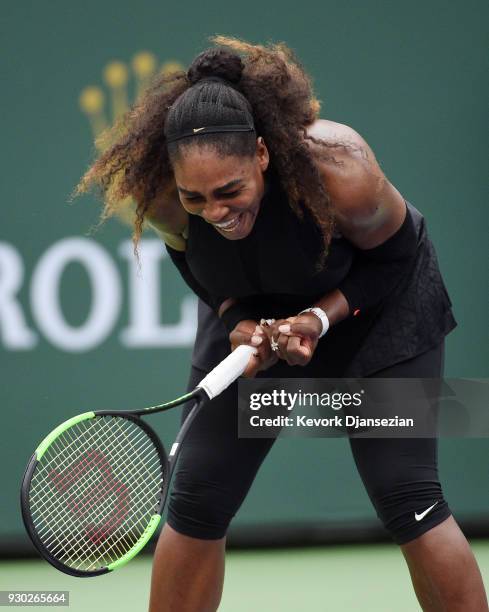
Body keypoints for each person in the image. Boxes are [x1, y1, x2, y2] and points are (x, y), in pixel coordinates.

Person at [75, 36, 487, 612]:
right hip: (257, 310)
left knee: (407, 496)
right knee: (197, 499)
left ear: (262, 155)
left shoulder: (342, 170)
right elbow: (195, 264)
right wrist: (237, 319)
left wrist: (319, 317)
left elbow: (397, 255)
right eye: (198, 200)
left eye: (230, 191)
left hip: (384, 314)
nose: (216, 212)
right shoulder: (167, 197)